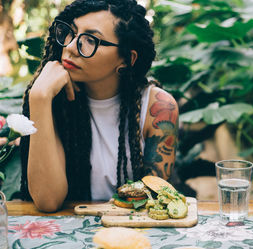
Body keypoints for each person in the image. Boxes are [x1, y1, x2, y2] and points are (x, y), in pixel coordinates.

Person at [19, 0, 178, 212]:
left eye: (90, 40)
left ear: (126, 59)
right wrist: (39, 97)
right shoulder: (52, 98)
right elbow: (48, 202)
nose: (70, 47)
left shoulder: (157, 108)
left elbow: (153, 201)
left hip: (131, 231)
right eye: (71, 33)